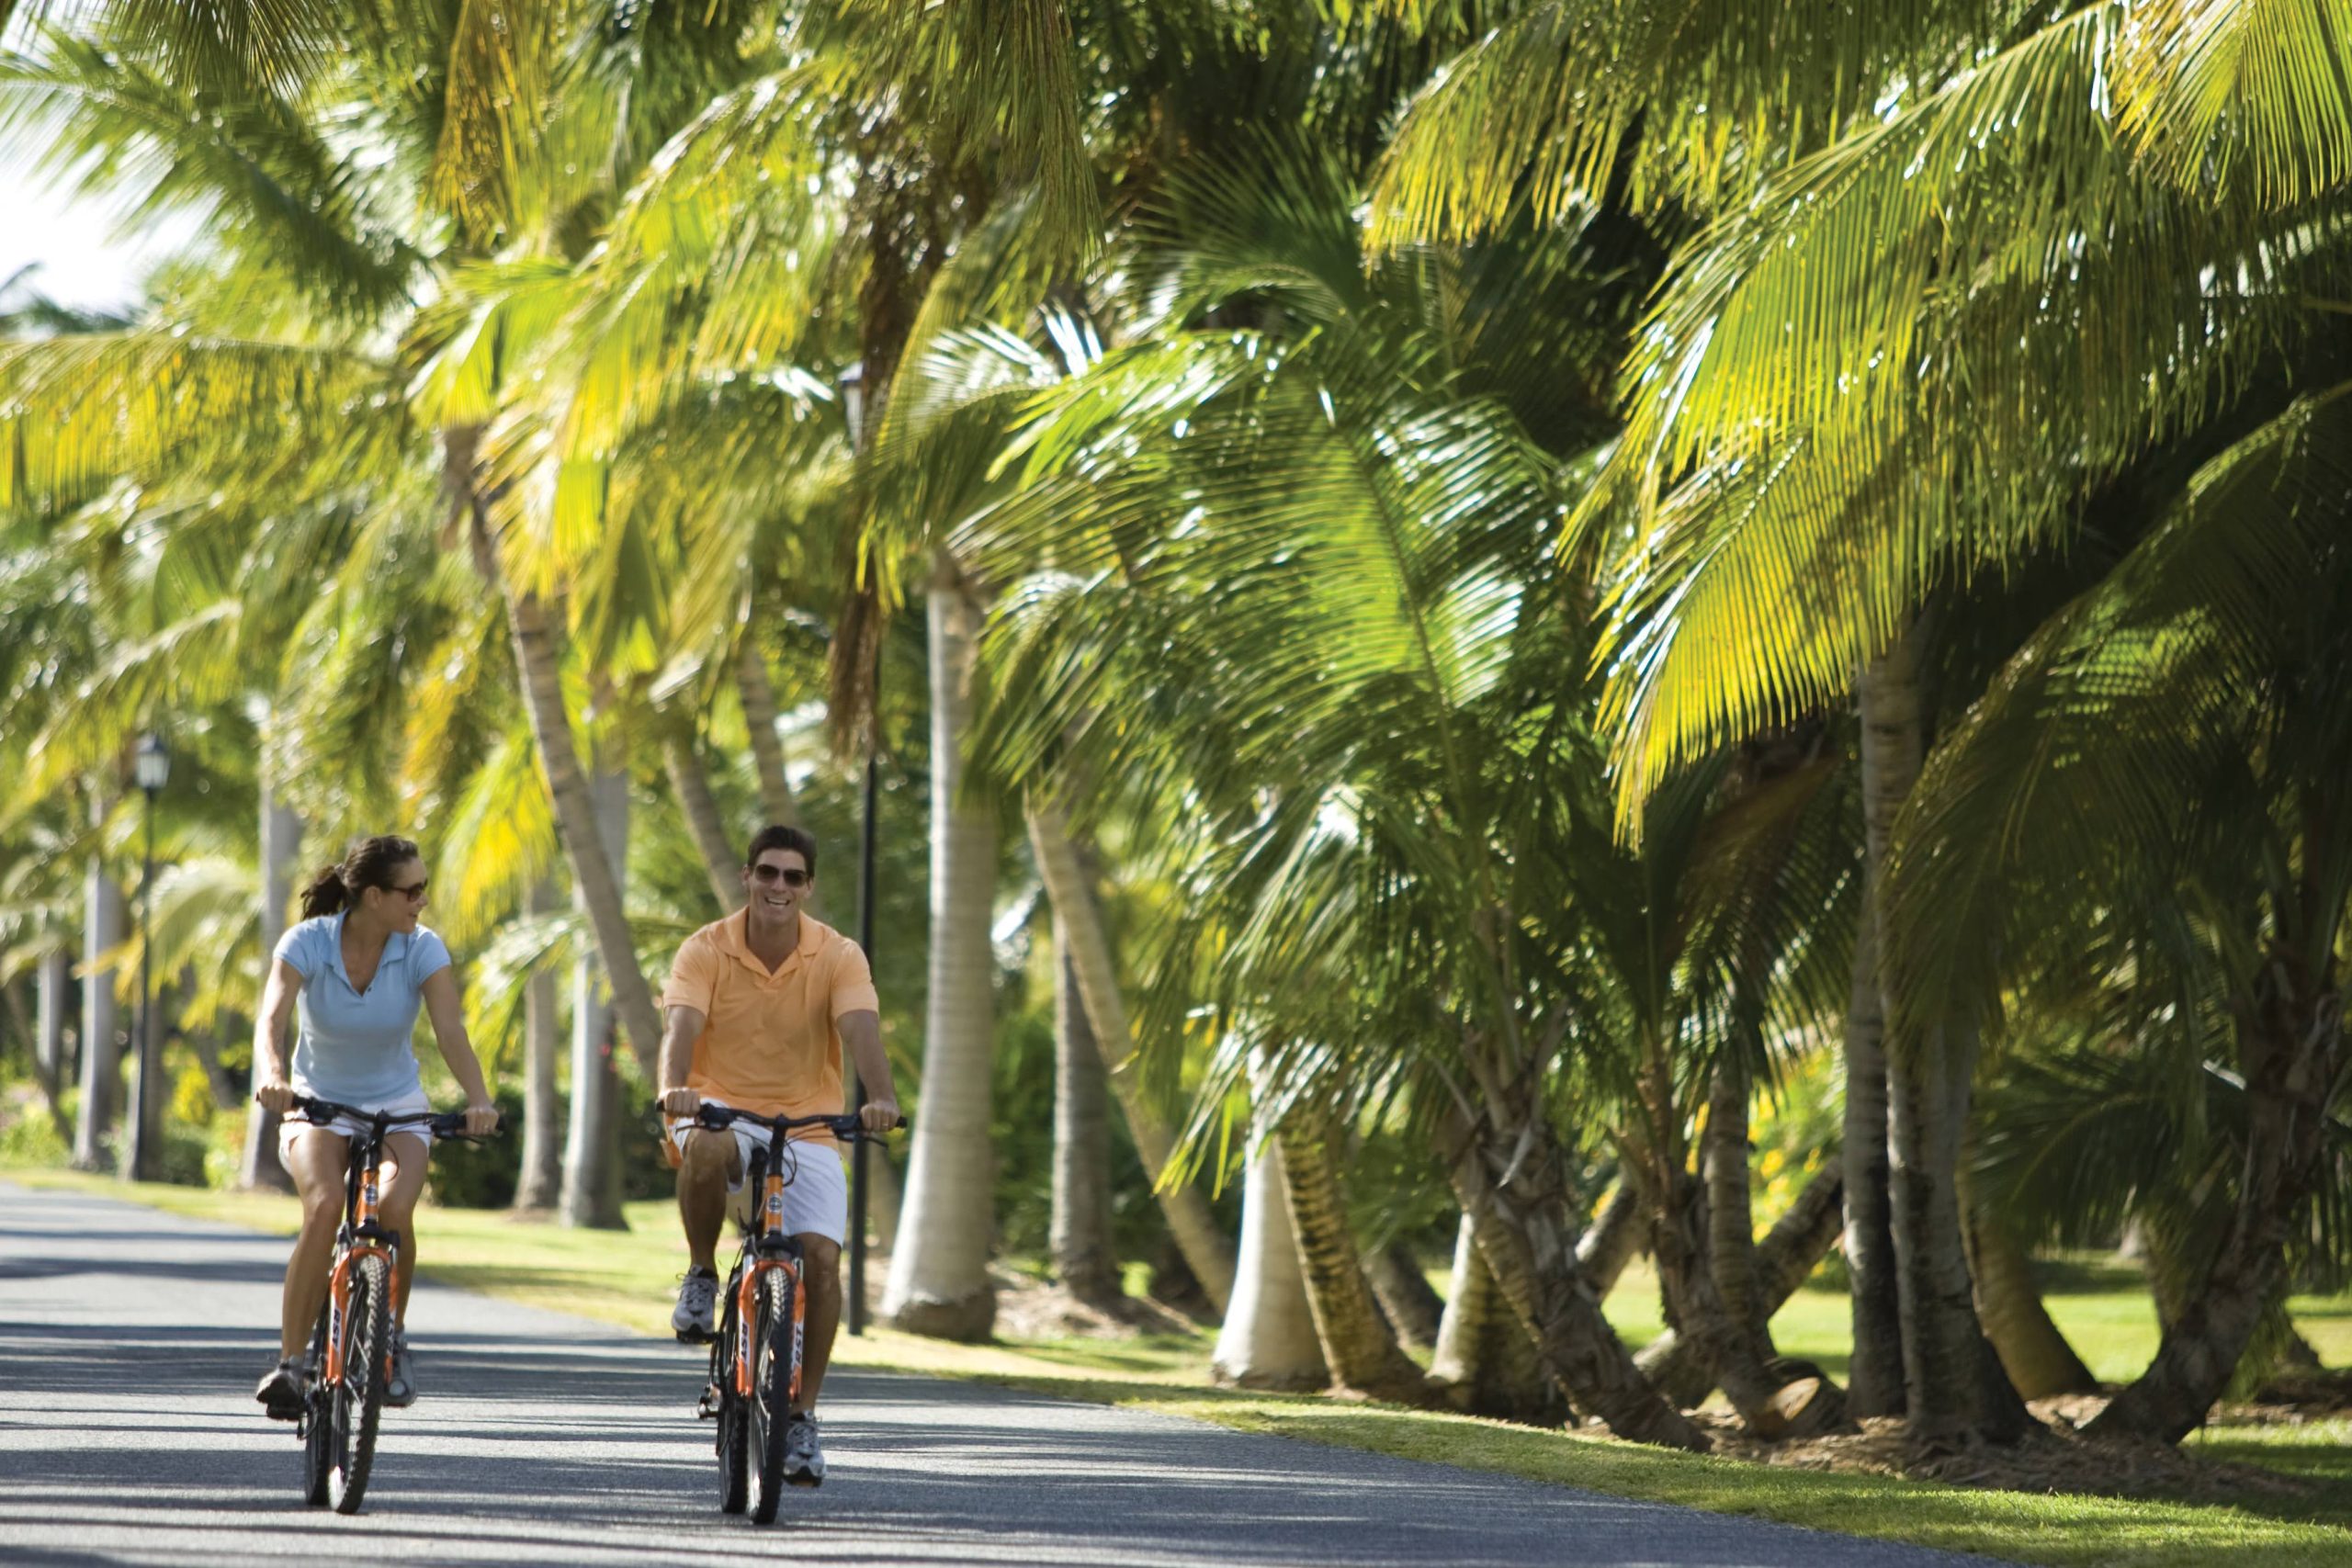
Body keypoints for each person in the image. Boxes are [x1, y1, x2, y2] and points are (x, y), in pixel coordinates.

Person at [659, 823, 899, 1488]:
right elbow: (680, 1027)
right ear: (747, 876)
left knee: (821, 1260)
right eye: (768, 872)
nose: (779, 886)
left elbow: (860, 1029)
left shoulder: (838, 955)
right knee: (705, 1146)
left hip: (808, 1126)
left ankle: (802, 1416)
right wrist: (673, 1090)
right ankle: (702, 1274)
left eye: (794, 876)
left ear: (809, 886)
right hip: (718, 1111)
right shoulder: (705, 949)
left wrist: (880, 1097)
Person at [250, 835, 499, 1418]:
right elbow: (272, 1017)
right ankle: (290, 1363)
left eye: (424, 891)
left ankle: (390, 1337)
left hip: (398, 1105)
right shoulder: (307, 942)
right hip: (318, 1102)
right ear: (372, 895)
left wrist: (479, 1099)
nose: (421, 903)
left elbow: (450, 1031)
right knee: (325, 1202)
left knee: (392, 1210)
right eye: (412, 892)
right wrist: (274, 1076)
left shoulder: (422, 949)